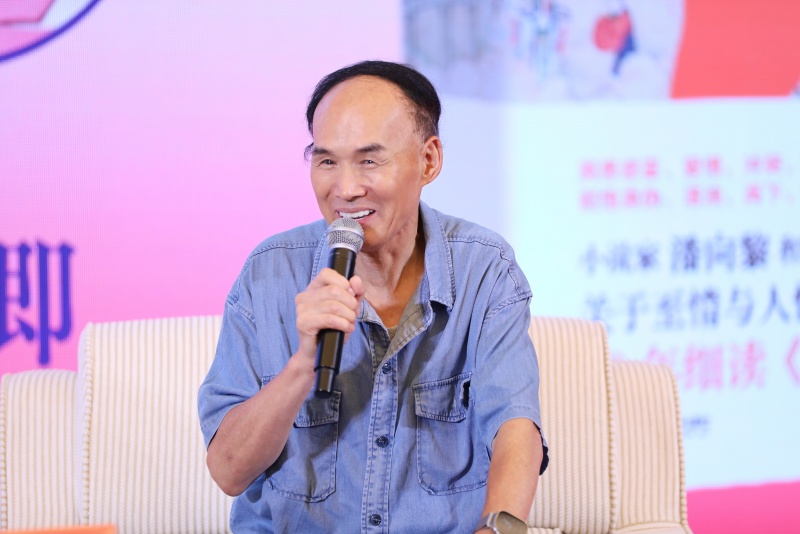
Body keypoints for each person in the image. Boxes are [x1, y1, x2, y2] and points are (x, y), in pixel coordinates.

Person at [198, 60, 548, 533]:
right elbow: (228, 471)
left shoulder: (484, 268)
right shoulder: (270, 273)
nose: (345, 189)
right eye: (326, 161)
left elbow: (514, 426)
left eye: (369, 160)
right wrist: (303, 365)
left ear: (429, 160)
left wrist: (496, 528)